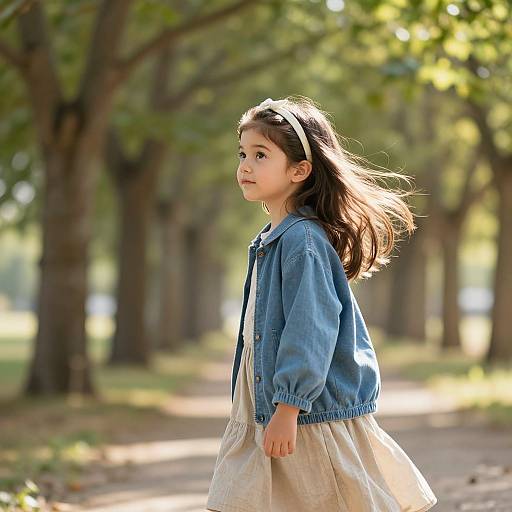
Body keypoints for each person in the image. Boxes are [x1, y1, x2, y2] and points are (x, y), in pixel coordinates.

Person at [206, 95, 438, 511]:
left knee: (327, 499)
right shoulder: (270, 240)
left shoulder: (302, 242)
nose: (244, 166)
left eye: (261, 155)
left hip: (306, 412)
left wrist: (289, 406)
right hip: (268, 409)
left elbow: (310, 327)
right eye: (242, 153)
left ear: (300, 169)